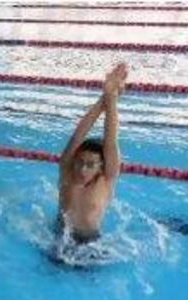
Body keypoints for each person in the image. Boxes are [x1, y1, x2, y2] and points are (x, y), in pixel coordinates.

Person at [57, 62, 128, 244]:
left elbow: (111, 141)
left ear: (100, 166)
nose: (82, 169)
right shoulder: (67, 173)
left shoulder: (106, 180)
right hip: (58, 237)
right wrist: (103, 98)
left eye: (90, 165)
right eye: (79, 162)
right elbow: (77, 136)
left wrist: (111, 99)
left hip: (90, 243)